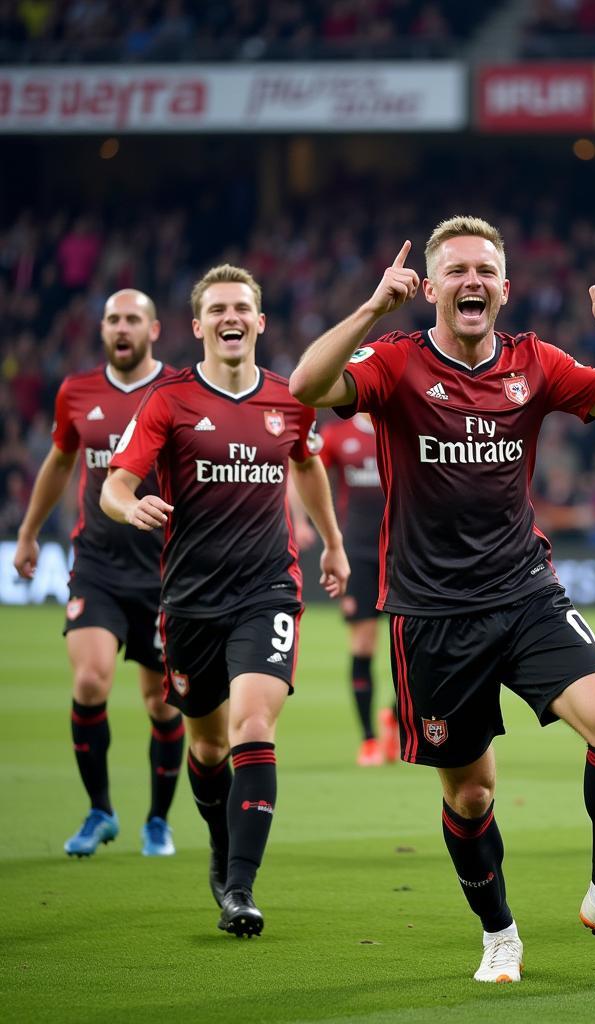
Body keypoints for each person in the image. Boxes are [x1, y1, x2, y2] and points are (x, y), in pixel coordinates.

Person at [290, 216, 595, 982]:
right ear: (432, 287)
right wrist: (373, 307)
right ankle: (499, 932)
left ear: (505, 287)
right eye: (458, 270)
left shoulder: (533, 362)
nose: (472, 281)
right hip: (432, 612)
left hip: (524, 590)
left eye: (486, 270)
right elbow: (306, 385)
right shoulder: (396, 364)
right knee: (471, 795)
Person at [100, 265, 349, 938]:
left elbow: (307, 462)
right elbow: (113, 485)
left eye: (242, 306)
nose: (230, 316)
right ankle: (220, 844)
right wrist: (130, 505)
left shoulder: (291, 398)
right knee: (207, 750)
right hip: (188, 601)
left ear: (260, 322)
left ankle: (239, 888)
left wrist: (330, 542)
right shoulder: (169, 400)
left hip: (267, 591)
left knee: (253, 727)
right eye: (218, 308)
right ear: (199, 324)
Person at [13, 289, 183, 859]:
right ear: (103, 329)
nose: (122, 327)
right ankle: (100, 810)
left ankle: (158, 821)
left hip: (167, 574)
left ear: (154, 329)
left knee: (163, 705)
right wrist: (31, 532)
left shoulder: (178, 392)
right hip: (98, 569)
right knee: (89, 683)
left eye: (133, 319)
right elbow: (60, 462)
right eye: (113, 319)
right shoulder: (76, 392)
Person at [318, 412, 398, 765]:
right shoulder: (337, 435)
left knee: (415, 649)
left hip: (405, 552)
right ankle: (368, 739)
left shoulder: (404, 424)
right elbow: (305, 470)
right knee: (364, 644)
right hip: (359, 553)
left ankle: (395, 716)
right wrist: (312, 526)